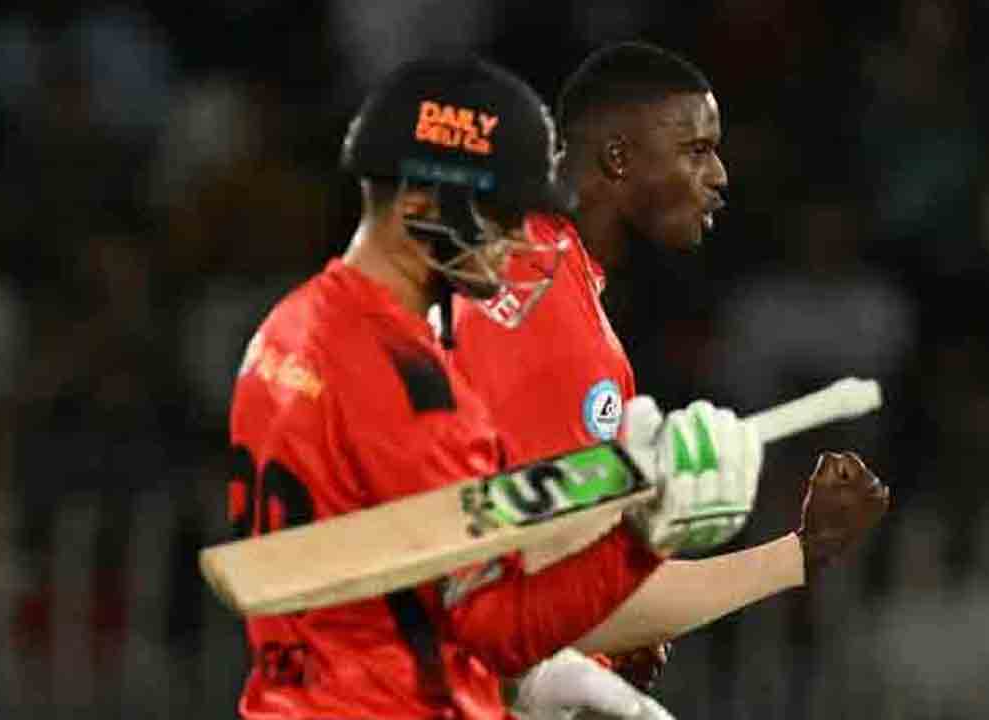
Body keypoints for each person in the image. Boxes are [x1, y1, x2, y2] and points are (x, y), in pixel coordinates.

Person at [226, 55, 767, 719]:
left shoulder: (289, 334)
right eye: (506, 212)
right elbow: (494, 628)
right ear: (423, 206)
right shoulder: (413, 386)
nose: (523, 240)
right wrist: (636, 547)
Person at [449, 40, 892, 697]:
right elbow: (521, 602)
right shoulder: (545, 314)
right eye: (696, 150)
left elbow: (549, 589)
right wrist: (801, 552)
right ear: (619, 158)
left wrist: (614, 631)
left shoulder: (539, 278)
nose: (720, 176)